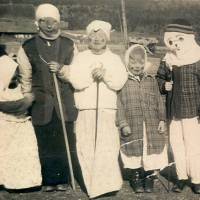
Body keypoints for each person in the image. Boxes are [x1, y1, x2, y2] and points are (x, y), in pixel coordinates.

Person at [17, 3, 78, 192]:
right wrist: (27, 97)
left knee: (64, 139)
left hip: (64, 103)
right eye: (44, 21)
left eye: (53, 21)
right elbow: (25, 77)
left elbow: (76, 72)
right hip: (41, 104)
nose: (49, 25)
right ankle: (49, 180)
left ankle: (63, 178)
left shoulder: (69, 44)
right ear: (38, 23)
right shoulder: (27, 47)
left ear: (58, 22)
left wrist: (61, 70)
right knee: (45, 141)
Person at [69, 20, 127, 198]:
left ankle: (108, 185)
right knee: (86, 146)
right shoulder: (80, 57)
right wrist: (92, 74)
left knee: (107, 146)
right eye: (93, 37)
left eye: (101, 37)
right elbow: (75, 81)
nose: (97, 40)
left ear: (107, 39)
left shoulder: (114, 58)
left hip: (107, 109)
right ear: (88, 39)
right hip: (86, 109)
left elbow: (118, 82)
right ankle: (93, 185)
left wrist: (106, 75)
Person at [116, 44, 168, 193]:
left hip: (150, 124)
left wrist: (162, 120)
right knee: (134, 151)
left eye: (140, 62)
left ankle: (149, 177)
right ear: (127, 62)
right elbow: (118, 104)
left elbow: (159, 101)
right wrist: (123, 123)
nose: (137, 66)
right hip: (132, 123)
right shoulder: (123, 81)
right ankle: (136, 177)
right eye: (133, 62)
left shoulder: (150, 80)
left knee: (150, 151)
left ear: (145, 63)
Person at [156, 19, 200, 194]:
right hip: (173, 111)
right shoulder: (168, 59)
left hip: (193, 112)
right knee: (176, 145)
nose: (176, 45)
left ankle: (196, 179)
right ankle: (181, 177)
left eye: (180, 39)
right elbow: (160, 77)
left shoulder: (198, 58)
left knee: (194, 145)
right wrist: (163, 85)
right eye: (172, 41)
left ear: (189, 38)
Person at [0, 53, 42, 190]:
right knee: (6, 155)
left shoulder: (21, 86)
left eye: (16, 71)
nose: (15, 75)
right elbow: (8, 106)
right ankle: (5, 181)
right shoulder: (1, 88)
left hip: (22, 125)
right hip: (6, 125)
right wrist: (26, 102)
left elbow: (29, 100)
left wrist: (27, 101)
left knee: (24, 154)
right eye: (12, 72)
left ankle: (25, 183)